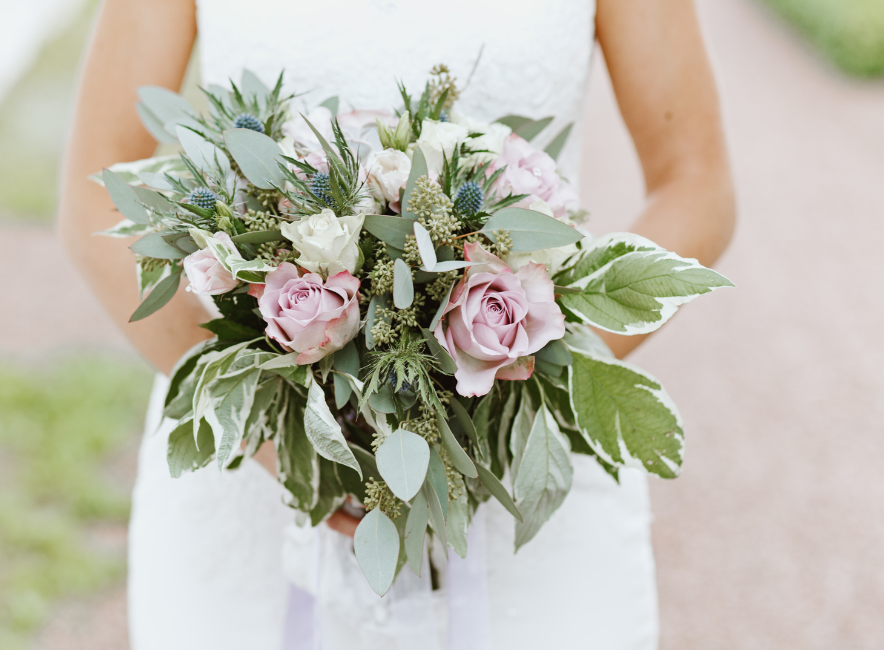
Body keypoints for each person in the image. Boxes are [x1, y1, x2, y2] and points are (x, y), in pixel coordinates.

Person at [54, 0, 735, 646]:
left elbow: (696, 182)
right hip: (254, 474)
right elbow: (95, 196)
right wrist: (277, 435)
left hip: (513, 461)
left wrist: (503, 372)